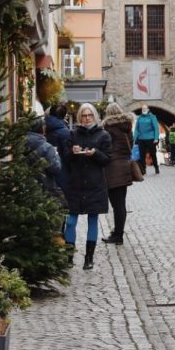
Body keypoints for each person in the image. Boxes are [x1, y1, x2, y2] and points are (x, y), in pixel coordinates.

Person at [64, 103, 112, 270]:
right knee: (70, 222)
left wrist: (95, 154)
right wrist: (72, 151)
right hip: (75, 184)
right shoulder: (73, 134)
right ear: (79, 117)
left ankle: (89, 258)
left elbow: (107, 159)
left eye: (89, 115)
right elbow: (65, 158)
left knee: (93, 221)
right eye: (83, 115)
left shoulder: (103, 135)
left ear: (94, 116)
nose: (86, 118)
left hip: (94, 184)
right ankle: (69, 256)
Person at [100, 103, 134, 245]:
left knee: (117, 205)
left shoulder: (108, 129)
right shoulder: (127, 128)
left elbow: (105, 149)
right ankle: (117, 232)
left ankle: (118, 235)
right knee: (121, 204)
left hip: (112, 169)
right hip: (124, 167)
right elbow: (130, 146)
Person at [25, 115, 65, 206]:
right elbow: (56, 168)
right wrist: (56, 155)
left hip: (25, 189)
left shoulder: (19, 144)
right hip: (45, 188)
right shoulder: (47, 147)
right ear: (41, 128)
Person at [45, 103, 71, 193]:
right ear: (64, 115)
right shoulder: (65, 132)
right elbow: (68, 156)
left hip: (46, 171)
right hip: (62, 172)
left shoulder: (44, 126)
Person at [133, 104, 160, 176]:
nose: (144, 110)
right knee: (141, 155)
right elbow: (136, 129)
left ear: (148, 109)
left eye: (145, 109)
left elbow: (156, 128)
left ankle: (156, 167)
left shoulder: (152, 117)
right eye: (142, 109)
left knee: (152, 153)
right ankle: (143, 169)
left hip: (150, 138)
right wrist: (134, 138)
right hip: (141, 139)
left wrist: (156, 138)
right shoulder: (139, 118)